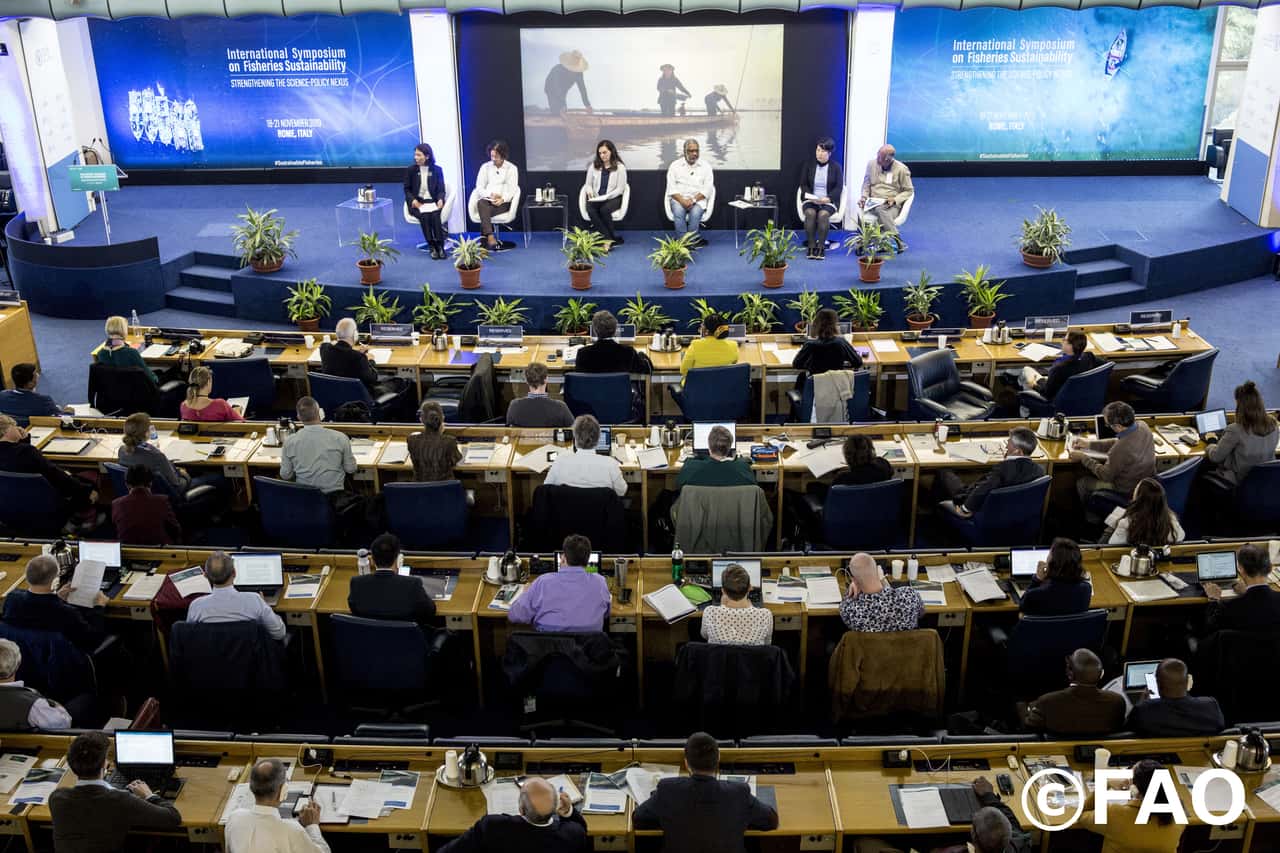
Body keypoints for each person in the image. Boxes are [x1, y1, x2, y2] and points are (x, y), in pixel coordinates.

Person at [633, 731, 778, 853]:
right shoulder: (739, 792)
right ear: (718, 758)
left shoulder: (668, 790)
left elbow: (638, 819)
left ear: (686, 763)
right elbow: (771, 821)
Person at [49, 731, 181, 852]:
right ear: (105, 765)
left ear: (71, 765)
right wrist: (149, 795)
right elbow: (173, 818)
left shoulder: (57, 798)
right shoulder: (120, 799)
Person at [854, 778, 1032, 853]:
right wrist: (989, 796)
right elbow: (1009, 818)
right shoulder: (1021, 843)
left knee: (863, 842)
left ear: (973, 834)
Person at [438, 775, 588, 853]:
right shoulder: (572, 834)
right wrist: (568, 812)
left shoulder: (492, 826)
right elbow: (581, 830)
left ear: (521, 810)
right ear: (555, 807)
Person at [1198, 381, 1280, 524]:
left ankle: (1204, 521)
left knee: (1200, 471)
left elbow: (1215, 457)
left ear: (1240, 405)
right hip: (1262, 482)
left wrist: (1211, 442)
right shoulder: (1273, 424)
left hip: (1237, 481)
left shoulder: (1235, 429)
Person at [1, 555, 106, 652]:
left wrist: (58, 597)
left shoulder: (12, 599)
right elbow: (91, 642)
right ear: (55, 580)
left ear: (27, 576)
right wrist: (99, 606)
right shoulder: (66, 613)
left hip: (21, 657)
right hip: (62, 662)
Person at [508, 534, 611, 633]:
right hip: (588, 645)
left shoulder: (543, 582)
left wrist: (525, 594)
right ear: (587, 559)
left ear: (563, 558)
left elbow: (515, 616)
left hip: (547, 644)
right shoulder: (600, 582)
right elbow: (606, 613)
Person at [225, 758, 329, 853]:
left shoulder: (234, 818)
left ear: (251, 787)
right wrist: (312, 826)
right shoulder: (293, 831)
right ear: (283, 790)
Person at [1079, 759, 1185, 853]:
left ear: (1135, 790)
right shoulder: (1179, 816)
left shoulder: (1113, 814)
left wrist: (1105, 783)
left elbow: (1082, 814)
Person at [933, 427, 1044, 516]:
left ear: (1017, 451)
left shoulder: (1003, 469)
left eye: (1009, 443)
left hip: (983, 511)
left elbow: (982, 490)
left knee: (943, 472)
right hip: (1015, 515)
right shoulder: (1039, 471)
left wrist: (965, 509)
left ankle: (934, 518)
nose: (1006, 445)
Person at [0, 413, 97, 514]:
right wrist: (86, 490)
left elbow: (17, 463)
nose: (19, 428)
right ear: (6, 430)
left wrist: (23, 442)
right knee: (89, 482)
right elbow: (55, 475)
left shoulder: (23, 451)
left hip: (10, 508)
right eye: (14, 425)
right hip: (46, 506)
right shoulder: (27, 452)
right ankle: (83, 518)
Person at [1070, 401, 1156, 514]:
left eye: (1108, 425)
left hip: (1126, 490)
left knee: (1082, 483)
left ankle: (1091, 519)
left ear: (1118, 426)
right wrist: (1089, 444)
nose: (1108, 427)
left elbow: (1105, 475)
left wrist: (1083, 458)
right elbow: (1118, 442)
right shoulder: (1142, 425)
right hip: (1145, 485)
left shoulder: (1121, 448)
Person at [1019, 649, 1125, 736]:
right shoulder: (1117, 701)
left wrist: (1024, 707)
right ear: (1101, 674)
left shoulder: (1047, 701)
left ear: (1070, 674)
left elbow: (1029, 727)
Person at [186, 551, 287, 642]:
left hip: (211, 656)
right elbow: (279, 634)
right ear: (234, 573)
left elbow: (190, 639)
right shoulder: (255, 600)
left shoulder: (196, 606)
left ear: (205, 575)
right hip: (249, 656)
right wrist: (265, 605)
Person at [348, 533, 436, 626]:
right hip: (405, 634)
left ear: (372, 560)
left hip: (371, 634)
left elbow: (354, 609)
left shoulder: (356, 583)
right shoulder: (413, 584)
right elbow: (430, 611)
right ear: (398, 559)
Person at [279, 397, 357, 500]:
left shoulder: (289, 442)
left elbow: (285, 475)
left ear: (298, 417)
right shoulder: (340, 437)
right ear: (320, 413)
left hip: (306, 499)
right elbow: (351, 469)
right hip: (335, 500)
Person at [1125, 658, 1224, 737]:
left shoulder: (1144, 711)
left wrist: (1142, 703)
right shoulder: (1211, 706)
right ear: (1187, 681)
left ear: (1158, 684)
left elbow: (1128, 730)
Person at [321, 317, 409, 403]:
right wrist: (370, 360)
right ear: (355, 335)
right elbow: (373, 378)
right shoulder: (358, 357)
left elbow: (339, 352)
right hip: (361, 399)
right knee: (401, 382)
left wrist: (358, 353)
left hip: (335, 397)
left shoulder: (324, 349)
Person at [839, 552, 924, 632]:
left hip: (870, 644)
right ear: (878, 570)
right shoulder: (910, 596)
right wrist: (883, 580)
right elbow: (921, 613)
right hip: (907, 643)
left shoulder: (850, 610)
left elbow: (845, 603)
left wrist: (853, 585)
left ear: (854, 580)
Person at [1204, 543, 1280, 633]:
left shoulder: (1231, 607)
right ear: (1270, 568)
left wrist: (1213, 599)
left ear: (1241, 569)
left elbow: (1211, 627)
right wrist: (1246, 593)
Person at [543, 415, 626, 496]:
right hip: (600, 505)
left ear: (575, 439)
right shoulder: (611, 464)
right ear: (598, 439)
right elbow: (621, 492)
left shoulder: (559, 462)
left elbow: (546, 489)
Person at [0, 639, 72, 730]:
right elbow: (64, 723)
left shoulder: (33, 704)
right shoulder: (35, 705)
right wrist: (57, 706)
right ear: (18, 664)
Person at [118, 412, 190, 496]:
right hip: (167, 495)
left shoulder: (121, 450)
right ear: (146, 433)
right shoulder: (157, 456)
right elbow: (176, 483)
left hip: (138, 496)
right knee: (203, 478)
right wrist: (185, 475)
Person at [701, 564, 772, 645]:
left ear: (723, 591)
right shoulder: (765, 615)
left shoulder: (710, 612)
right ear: (750, 588)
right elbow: (767, 643)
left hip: (720, 653)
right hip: (751, 653)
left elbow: (705, 636)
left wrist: (721, 607)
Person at [111, 464, 182, 545]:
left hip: (127, 551)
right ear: (151, 483)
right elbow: (176, 530)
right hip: (159, 550)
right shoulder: (162, 501)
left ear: (127, 484)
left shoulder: (116, 504)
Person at [1020, 537, 1093, 616]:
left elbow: (1022, 606)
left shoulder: (1034, 594)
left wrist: (1037, 579)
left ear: (1052, 563)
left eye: (1049, 554)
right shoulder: (1086, 589)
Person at [859, 144, 914, 250]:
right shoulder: (871, 164)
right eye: (878, 155)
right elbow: (866, 184)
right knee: (878, 209)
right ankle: (895, 241)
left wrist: (895, 200)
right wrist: (863, 197)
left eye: (880, 157)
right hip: (873, 202)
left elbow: (909, 190)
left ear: (888, 159)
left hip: (891, 204)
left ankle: (872, 242)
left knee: (881, 210)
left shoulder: (902, 169)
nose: (877, 159)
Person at [798, 137, 844, 260]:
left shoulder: (836, 167)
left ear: (829, 153)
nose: (819, 153)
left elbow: (839, 187)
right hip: (811, 200)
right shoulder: (808, 165)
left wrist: (828, 198)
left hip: (828, 201)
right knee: (810, 213)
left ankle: (821, 247)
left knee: (823, 215)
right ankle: (811, 245)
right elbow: (803, 184)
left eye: (823, 151)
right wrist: (811, 197)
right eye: (818, 150)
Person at [1103, 478, 1184, 546]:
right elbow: (1181, 536)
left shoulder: (1127, 523)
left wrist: (1115, 525)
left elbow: (1112, 545)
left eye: (1136, 488)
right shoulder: (1171, 522)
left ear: (1139, 498)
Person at [1019, 331, 1100, 398]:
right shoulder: (1089, 356)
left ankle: (1025, 403)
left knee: (1026, 370)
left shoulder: (1058, 368)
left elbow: (1047, 394)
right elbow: (1105, 365)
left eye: (1064, 340)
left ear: (1070, 346)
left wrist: (1034, 385)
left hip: (1056, 398)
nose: (1062, 341)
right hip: (1077, 393)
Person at [405, 142, 448, 259]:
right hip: (417, 203)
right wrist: (413, 200)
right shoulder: (411, 170)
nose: (416, 157)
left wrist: (440, 199)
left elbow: (441, 189)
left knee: (435, 215)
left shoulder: (437, 170)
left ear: (427, 156)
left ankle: (440, 246)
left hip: (432, 202)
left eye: (419, 155)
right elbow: (407, 189)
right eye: (415, 155)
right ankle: (431, 246)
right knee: (425, 216)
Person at [666, 139, 714, 244]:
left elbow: (708, 189)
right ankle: (683, 242)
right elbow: (671, 188)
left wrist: (693, 200)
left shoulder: (706, 166)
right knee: (678, 212)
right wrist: (682, 201)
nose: (695, 154)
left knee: (695, 213)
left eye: (697, 151)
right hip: (678, 199)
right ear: (685, 152)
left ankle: (692, 240)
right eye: (691, 151)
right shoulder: (674, 166)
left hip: (698, 200)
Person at [794, 308, 862, 383]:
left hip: (816, 387)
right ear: (835, 325)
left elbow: (797, 364)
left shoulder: (809, 344)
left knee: (801, 377)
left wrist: (810, 364)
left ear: (816, 324)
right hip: (837, 386)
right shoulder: (841, 342)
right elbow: (858, 362)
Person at [474, 139, 519, 252]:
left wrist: (502, 199)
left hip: (504, 202)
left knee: (484, 212)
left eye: (496, 156)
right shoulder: (485, 167)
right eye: (492, 156)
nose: (494, 159)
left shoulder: (512, 168)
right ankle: (490, 236)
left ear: (503, 155)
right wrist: (490, 194)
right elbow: (479, 187)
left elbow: (513, 189)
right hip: (487, 200)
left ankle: (485, 241)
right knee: (481, 203)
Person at [574, 310, 650, 375]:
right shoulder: (628, 352)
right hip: (619, 388)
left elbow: (578, 376)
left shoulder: (582, 353)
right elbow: (645, 369)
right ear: (615, 329)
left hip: (591, 388)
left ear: (594, 330)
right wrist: (642, 355)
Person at [677, 425, 753, 488]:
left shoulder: (690, 466)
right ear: (729, 447)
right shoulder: (743, 468)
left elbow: (678, 486)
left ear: (709, 446)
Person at [583, 140, 627, 246]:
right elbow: (588, 184)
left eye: (605, 152)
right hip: (597, 198)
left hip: (614, 198)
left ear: (611, 151)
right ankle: (609, 239)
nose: (602, 155)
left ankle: (606, 240)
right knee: (590, 209)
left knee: (604, 209)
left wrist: (607, 196)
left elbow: (620, 189)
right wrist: (589, 191)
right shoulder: (593, 166)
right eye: (600, 153)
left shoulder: (620, 167)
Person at [94, 315, 159, 385]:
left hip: (114, 389)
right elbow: (150, 378)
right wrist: (156, 378)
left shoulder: (101, 353)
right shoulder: (131, 353)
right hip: (137, 389)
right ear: (124, 330)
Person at [0, 362, 70, 426]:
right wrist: (68, 412)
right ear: (30, 383)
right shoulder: (44, 401)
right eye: (35, 375)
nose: (38, 375)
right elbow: (62, 420)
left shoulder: (2, 395)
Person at [507, 363, 573, 428]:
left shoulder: (514, 406)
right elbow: (574, 429)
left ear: (527, 381)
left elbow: (509, 429)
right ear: (546, 379)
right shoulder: (560, 407)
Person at [408, 401, 461, 482]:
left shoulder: (412, 440)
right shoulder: (449, 441)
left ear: (421, 419)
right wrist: (440, 433)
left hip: (420, 489)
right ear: (443, 418)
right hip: (444, 489)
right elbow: (455, 461)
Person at [680, 312, 738, 381]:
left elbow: (684, 370)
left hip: (699, 386)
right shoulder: (733, 345)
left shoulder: (695, 345)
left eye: (703, 324)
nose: (701, 326)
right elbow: (734, 362)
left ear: (706, 330)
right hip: (723, 385)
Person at [179, 365, 243, 422]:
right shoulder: (220, 404)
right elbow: (241, 423)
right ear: (208, 382)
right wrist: (237, 411)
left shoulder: (183, 406)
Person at [544, 50, 592, 116]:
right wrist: (562, 104)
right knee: (557, 111)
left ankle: (561, 109)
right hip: (551, 88)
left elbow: (582, 89)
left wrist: (587, 105)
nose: (574, 72)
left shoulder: (579, 73)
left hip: (563, 90)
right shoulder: (557, 70)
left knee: (563, 110)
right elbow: (557, 87)